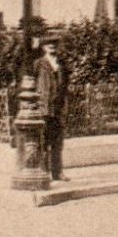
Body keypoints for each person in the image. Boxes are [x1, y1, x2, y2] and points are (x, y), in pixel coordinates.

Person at [34, 37, 69, 182]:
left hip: (58, 107)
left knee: (57, 142)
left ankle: (57, 172)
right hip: (44, 107)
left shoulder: (62, 64)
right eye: (49, 45)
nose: (52, 47)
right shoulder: (38, 64)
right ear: (43, 47)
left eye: (54, 44)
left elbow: (65, 85)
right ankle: (43, 171)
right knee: (43, 141)